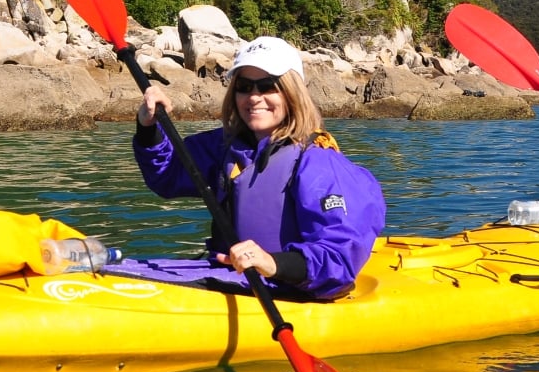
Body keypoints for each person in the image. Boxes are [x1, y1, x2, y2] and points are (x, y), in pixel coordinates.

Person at [134, 36, 386, 299]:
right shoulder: (225, 147)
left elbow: (339, 259)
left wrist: (273, 263)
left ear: (291, 93)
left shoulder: (319, 163)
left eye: (267, 86)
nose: (254, 97)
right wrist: (149, 127)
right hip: (229, 274)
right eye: (244, 86)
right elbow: (167, 175)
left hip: (288, 288)